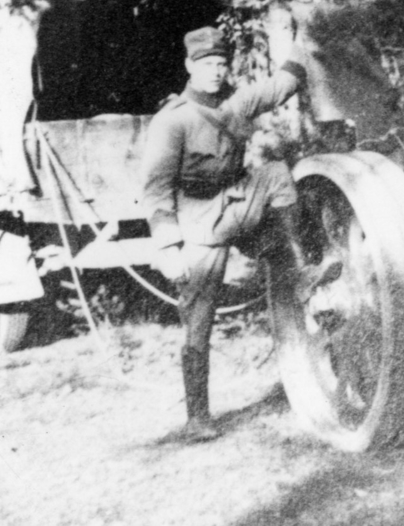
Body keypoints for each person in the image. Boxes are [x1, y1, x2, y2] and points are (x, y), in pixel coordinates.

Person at [142, 25, 342, 443]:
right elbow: (157, 190)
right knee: (198, 322)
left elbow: (282, 84)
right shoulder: (172, 120)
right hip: (197, 225)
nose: (216, 71)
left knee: (276, 173)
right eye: (207, 65)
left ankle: (303, 270)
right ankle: (198, 417)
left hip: (237, 204)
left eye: (221, 64)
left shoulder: (236, 103)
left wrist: (305, 37)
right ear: (189, 67)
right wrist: (169, 246)